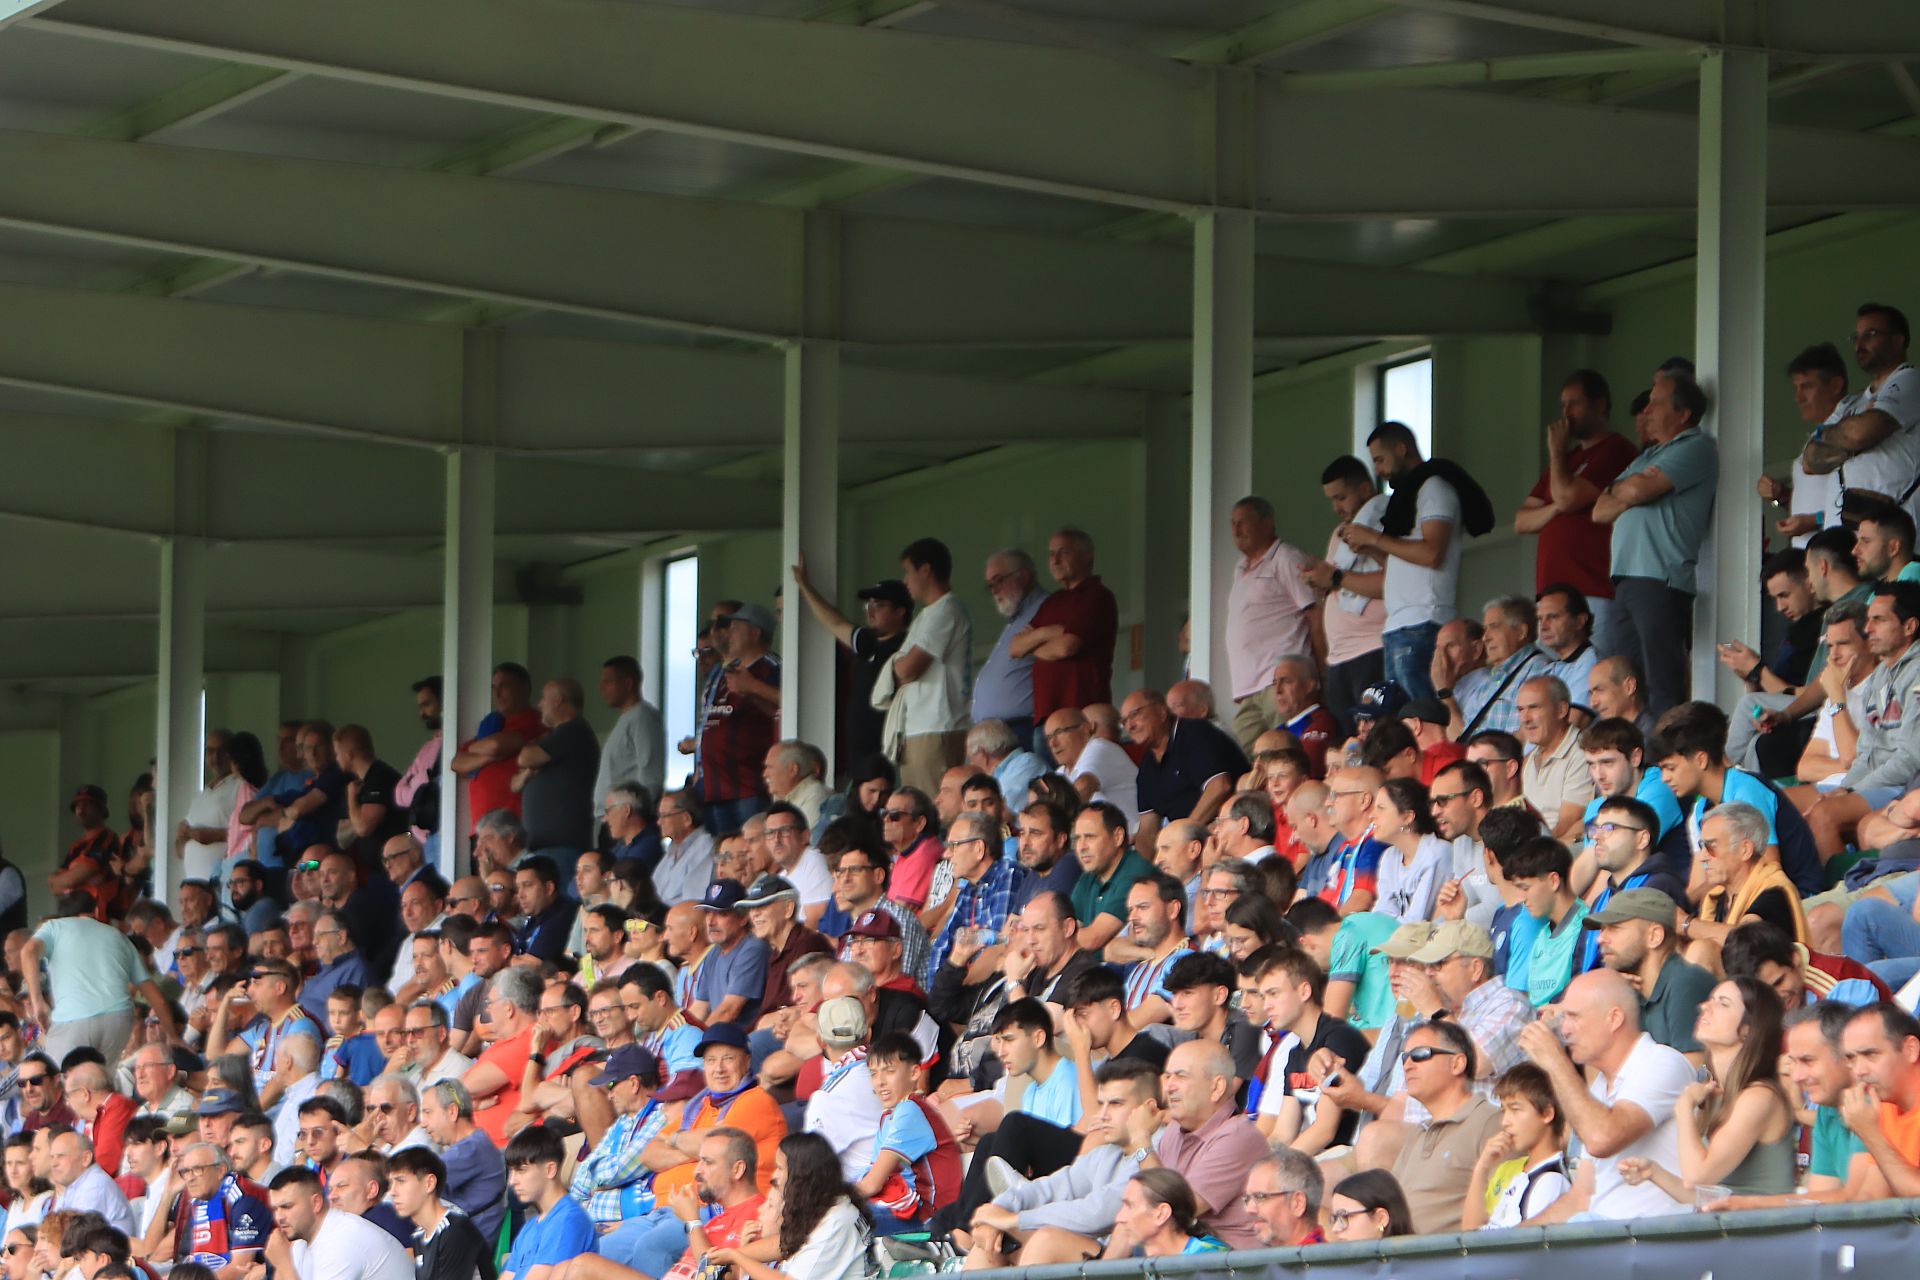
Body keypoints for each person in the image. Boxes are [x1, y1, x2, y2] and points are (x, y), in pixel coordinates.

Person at [1517, 969, 1697, 1220]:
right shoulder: (1598, 1088)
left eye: (1573, 1017)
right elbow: (1580, 1197)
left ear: (1614, 1019)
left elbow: (1602, 1138)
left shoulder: (1662, 1062)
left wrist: (1555, 1060)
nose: (1564, 1030)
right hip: (1606, 1240)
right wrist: (1509, 1245)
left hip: (1655, 1240)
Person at [1593, 371, 1719, 717]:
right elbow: (1600, 511)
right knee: (1629, 688)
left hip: (1659, 577)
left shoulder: (1696, 447)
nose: (1646, 409)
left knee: (1663, 683)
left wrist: (1628, 490)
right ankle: (1641, 761)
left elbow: (1634, 491)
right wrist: (1630, 489)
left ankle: (1670, 763)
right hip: (1627, 579)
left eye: (1656, 402)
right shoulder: (1644, 459)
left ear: (1683, 414)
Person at [1616, 976, 1795, 1200]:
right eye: (1710, 999)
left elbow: (1697, 1177)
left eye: (1723, 1003)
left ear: (1747, 1029)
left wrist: (1684, 1108)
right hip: (1733, 1227)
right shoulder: (1716, 1093)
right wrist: (1654, 1172)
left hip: (1771, 1232)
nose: (1704, 1006)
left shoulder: (1759, 1097)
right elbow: (1704, 1194)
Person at [1801, 303, 1920, 527]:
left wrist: (1839, 437)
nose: (1859, 344)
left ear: (1898, 339)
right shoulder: (1850, 404)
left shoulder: (1911, 380)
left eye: (1870, 335)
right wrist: (1851, 434)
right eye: (1855, 337)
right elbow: (1810, 461)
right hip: (1843, 537)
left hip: (1895, 534)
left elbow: (1861, 432)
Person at [1383, 1019, 1504, 1234]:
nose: (1408, 1065)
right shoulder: (1418, 1133)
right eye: (1404, 1057)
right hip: (1399, 1259)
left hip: (1450, 1260)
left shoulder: (1491, 1122)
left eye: (1420, 1054)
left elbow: (1503, 1210)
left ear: (1457, 1064)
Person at [22, 897, 177, 1062]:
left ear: (63, 917)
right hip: (118, 1021)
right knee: (103, 1082)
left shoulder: (54, 927)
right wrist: (174, 1037)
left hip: (73, 1019)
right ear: (94, 912)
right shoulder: (118, 936)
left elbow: (28, 952)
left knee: (62, 1079)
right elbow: (156, 998)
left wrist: (37, 1001)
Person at [702, 1133, 873, 1280]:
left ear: (801, 1174)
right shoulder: (829, 1205)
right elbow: (785, 1244)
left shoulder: (835, 1221)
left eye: (780, 1168)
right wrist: (731, 1255)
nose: (775, 1175)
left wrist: (737, 1256)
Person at [1307, 455, 1390, 730]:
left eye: (1341, 497)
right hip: (1338, 657)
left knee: (1373, 736)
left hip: (1372, 648)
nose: (1336, 507)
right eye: (1332, 499)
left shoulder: (1387, 519)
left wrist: (1334, 578)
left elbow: (1395, 582)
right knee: (1348, 742)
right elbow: (1334, 582)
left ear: (1365, 489)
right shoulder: (1339, 533)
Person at [883, 538, 972, 795]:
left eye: (908, 571)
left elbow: (906, 669)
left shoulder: (948, 609)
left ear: (926, 570)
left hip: (936, 729)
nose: (905, 580)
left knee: (932, 810)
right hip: (919, 730)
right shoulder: (927, 614)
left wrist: (899, 665)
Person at [1587, 889, 1716, 1059]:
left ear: (1654, 936)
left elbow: (1693, 1075)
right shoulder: (1628, 991)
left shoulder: (1685, 984)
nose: (1600, 939)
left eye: (1615, 928)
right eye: (1602, 930)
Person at [1125, 689, 1248, 855]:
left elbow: (1220, 786)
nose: (1129, 726)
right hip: (1188, 849)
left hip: (1229, 835)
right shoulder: (1147, 766)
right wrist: (1154, 868)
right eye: (1124, 721)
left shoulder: (1195, 733)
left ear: (1161, 712)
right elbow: (1147, 829)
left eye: (1135, 715)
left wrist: (1181, 837)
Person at [1463, 1064, 1572, 1230]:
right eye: (1504, 1111)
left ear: (1547, 1114)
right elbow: (1470, 1235)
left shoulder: (1550, 1181)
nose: (1505, 1121)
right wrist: (1481, 1169)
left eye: (1515, 1109)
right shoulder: (1519, 1174)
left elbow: (1528, 1251)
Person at [263, 1166, 412, 1280]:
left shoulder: (342, 1240)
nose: (279, 1217)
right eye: (275, 1209)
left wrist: (284, 1264)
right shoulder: (302, 1244)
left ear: (316, 1203)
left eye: (287, 1206)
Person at [972, 550, 1047, 748]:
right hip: (995, 732)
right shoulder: (1016, 618)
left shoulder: (1045, 607)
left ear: (1023, 576)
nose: (995, 590)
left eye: (999, 581)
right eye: (990, 586)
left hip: (1018, 729)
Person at [420, 1082, 506, 1243]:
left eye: (428, 1112)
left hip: (466, 1255)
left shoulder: (470, 1149)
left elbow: (416, 1182)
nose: (423, 1123)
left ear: (452, 1112)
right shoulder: (477, 1143)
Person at [386, 1148, 490, 1280]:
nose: (392, 1192)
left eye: (401, 1181)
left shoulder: (455, 1232)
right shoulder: (420, 1236)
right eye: (391, 1184)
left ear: (429, 1183)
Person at [1098, 1169, 1224, 1260]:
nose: (1119, 1217)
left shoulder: (1212, 1262)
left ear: (1161, 1214)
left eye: (1130, 1206)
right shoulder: (1139, 1257)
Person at [48, 1134, 132, 1234]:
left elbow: (73, 1236)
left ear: (86, 1158)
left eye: (61, 1156)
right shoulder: (73, 1185)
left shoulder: (96, 1183)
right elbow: (52, 1230)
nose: (53, 1163)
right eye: (52, 1157)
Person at [1240, 1149, 1324, 1248]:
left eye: (1260, 1197)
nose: (1248, 1209)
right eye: (1247, 1199)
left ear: (1297, 1203)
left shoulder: (1319, 1261)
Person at [1322, 1169, 1414, 1243]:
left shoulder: (1419, 1264)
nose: (1335, 1229)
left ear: (1380, 1218)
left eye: (1345, 1216)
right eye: (1335, 1218)